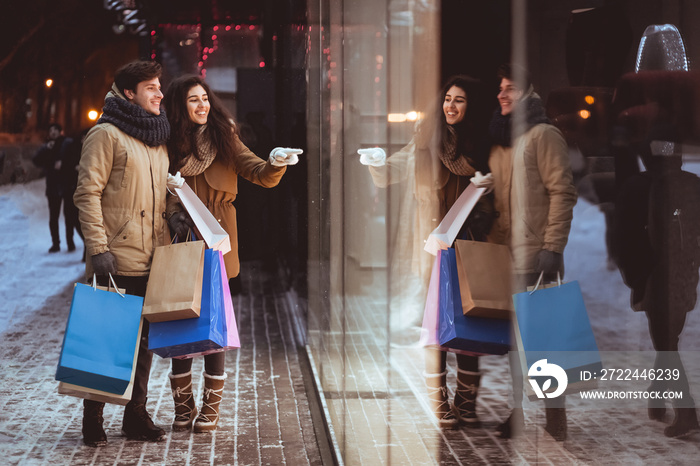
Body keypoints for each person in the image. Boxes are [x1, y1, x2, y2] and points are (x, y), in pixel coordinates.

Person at [162, 75, 301, 432]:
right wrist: (173, 211)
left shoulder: (225, 135)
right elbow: (153, 188)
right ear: (180, 106)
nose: (202, 105)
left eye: (205, 98)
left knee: (215, 323)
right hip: (180, 237)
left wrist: (276, 162)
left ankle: (210, 408)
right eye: (193, 100)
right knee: (180, 318)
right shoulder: (165, 143)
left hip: (218, 239)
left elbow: (258, 171)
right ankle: (182, 405)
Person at [358, 75, 495, 428]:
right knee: (436, 327)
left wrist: (491, 188)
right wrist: (376, 161)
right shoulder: (424, 141)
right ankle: (440, 401)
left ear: (471, 106)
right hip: (431, 249)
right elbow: (391, 171)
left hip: (469, 245)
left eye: (459, 100)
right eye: (447, 98)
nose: (450, 105)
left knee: (469, 326)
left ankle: (466, 401)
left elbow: (501, 191)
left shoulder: (484, 148)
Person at [73, 60, 174, 447]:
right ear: (129, 92)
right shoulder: (106, 135)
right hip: (115, 257)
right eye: (151, 87)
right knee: (105, 338)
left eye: (159, 86)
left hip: (154, 256)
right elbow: (87, 193)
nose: (159, 94)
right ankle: (93, 417)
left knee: (145, 343)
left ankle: (135, 415)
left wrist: (176, 216)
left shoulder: (157, 138)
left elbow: (164, 192)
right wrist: (98, 248)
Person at [487, 64, 577, 440]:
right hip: (504, 253)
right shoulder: (503, 140)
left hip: (535, 253)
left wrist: (552, 247)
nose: (502, 95)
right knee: (514, 344)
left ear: (527, 93)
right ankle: (520, 410)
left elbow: (562, 192)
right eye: (501, 88)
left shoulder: (543, 135)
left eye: (510, 89)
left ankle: (556, 416)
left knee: (545, 339)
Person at [32, 123, 78, 253]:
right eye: (50, 130)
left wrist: (63, 164)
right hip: (52, 185)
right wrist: (45, 148)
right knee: (53, 217)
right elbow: (36, 161)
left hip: (66, 184)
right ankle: (55, 244)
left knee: (68, 216)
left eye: (55, 130)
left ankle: (70, 242)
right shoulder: (47, 146)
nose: (52, 132)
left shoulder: (67, 143)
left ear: (60, 131)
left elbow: (75, 159)